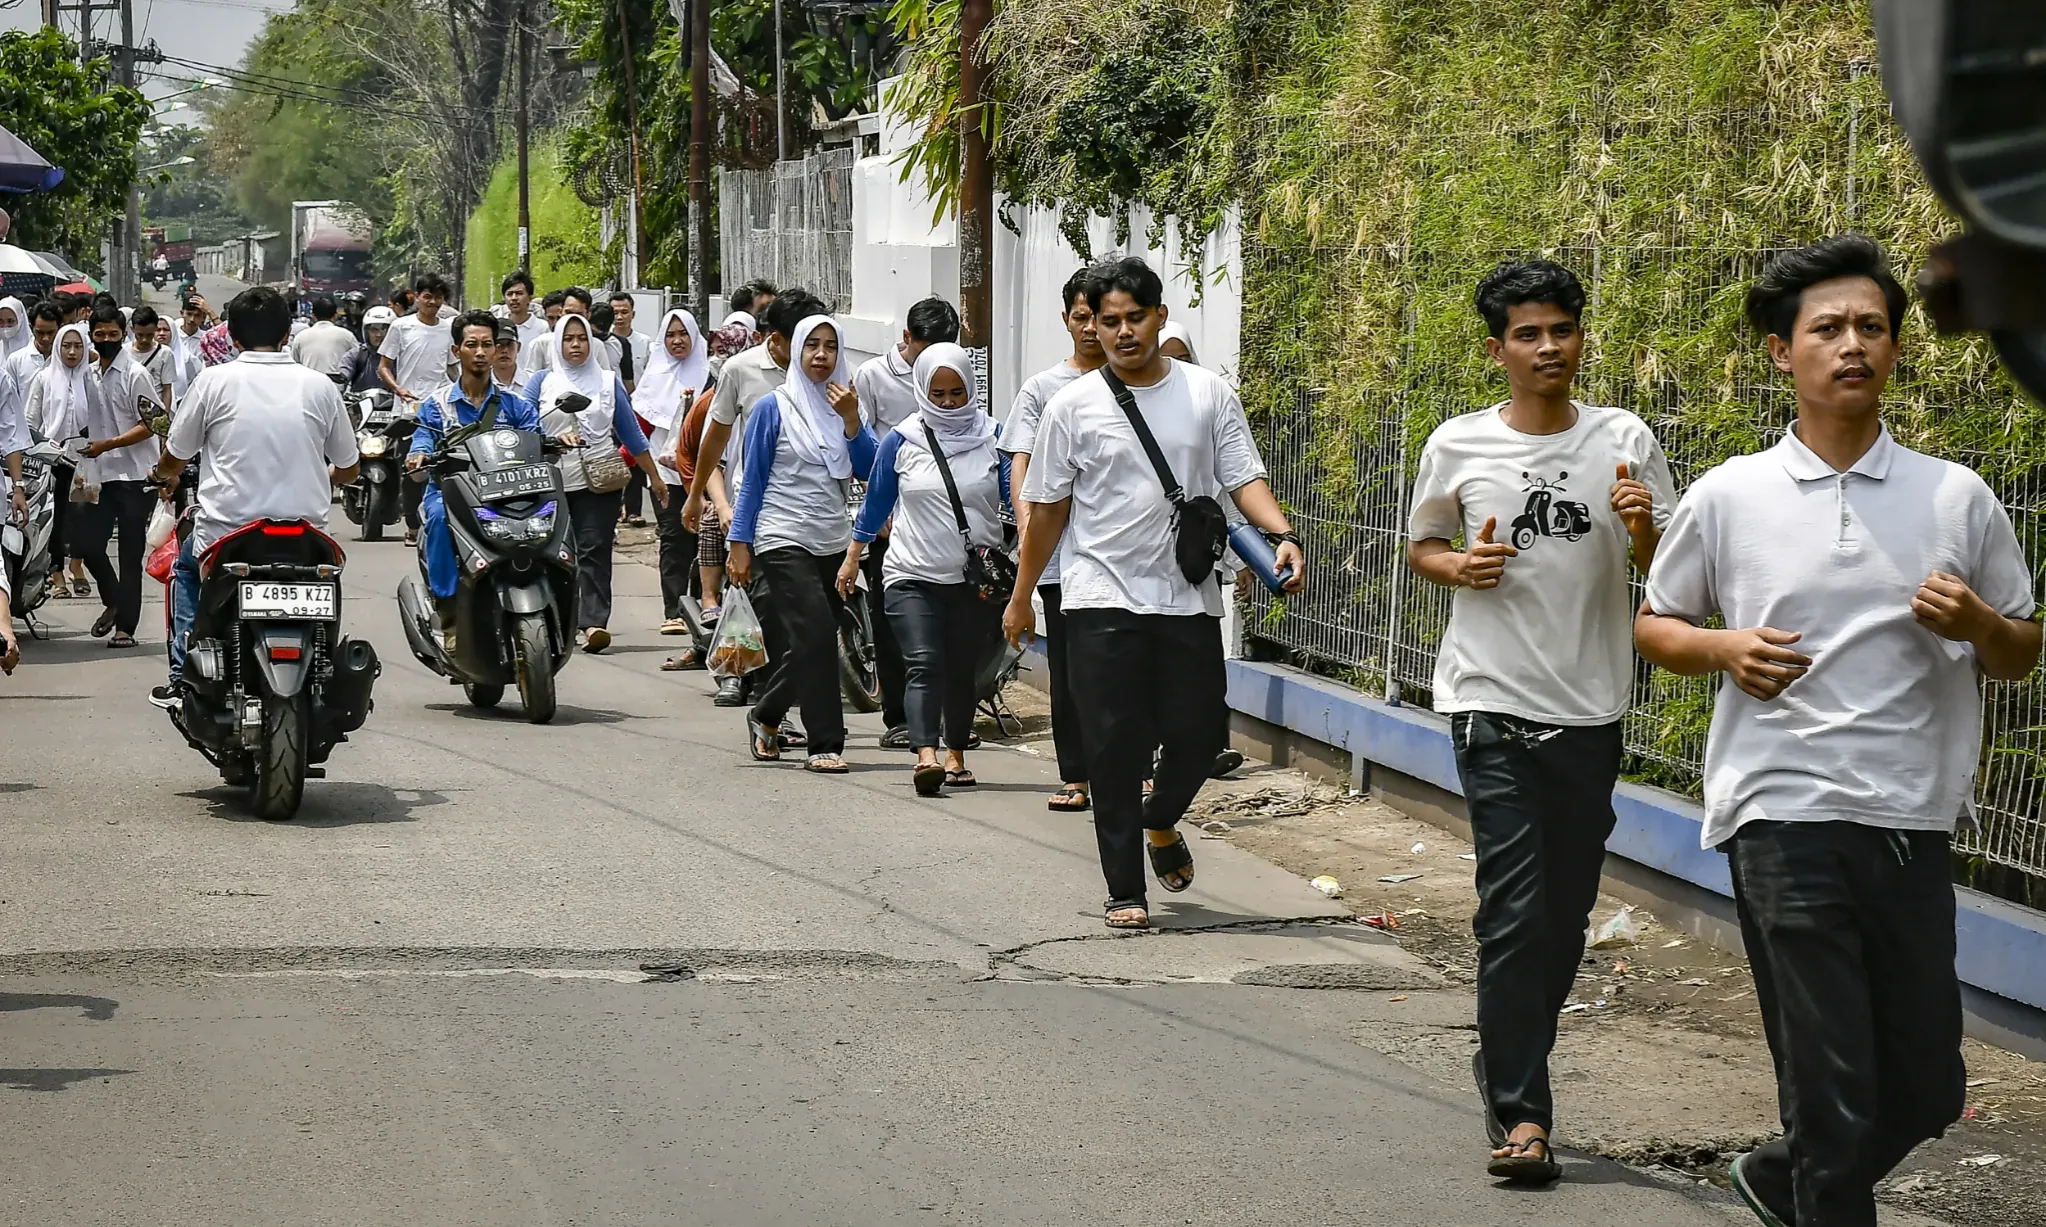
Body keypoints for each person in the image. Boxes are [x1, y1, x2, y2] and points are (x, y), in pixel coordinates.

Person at [1634, 236, 2040, 1227]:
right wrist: (1726, 648)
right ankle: (1817, 1184)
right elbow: (1657, 623)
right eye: (1828, 328)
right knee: (1834, 1095)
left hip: (1910, 817)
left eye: (1871, 326)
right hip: (1781, 810)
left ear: (1895, 347)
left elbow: (2020, 650)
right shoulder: (1730, 494)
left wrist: (1978, 623)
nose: (1852, 344)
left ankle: (1781, 1180)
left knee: (1927, 1089)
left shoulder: (1955, 496)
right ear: (1784, 352)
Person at [1404, 259, 1674, 1185]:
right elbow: (1423, 544)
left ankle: (1505, 1048)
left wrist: (1644, 528)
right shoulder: (1458, 443)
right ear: (1498, 350)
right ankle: (1524, 1114)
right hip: (1489, 702)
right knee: (1516, 910)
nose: (1548, 346)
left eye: (1561, 329)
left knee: (1563, 920)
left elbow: (1673, 572)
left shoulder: (1623, 438)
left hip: (1591, 706)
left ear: (1580, 339)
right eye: (1528, 334)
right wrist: (1458, 568)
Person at [1003, 256, 1305, 931]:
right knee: (1113, 745)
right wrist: (1023, 595)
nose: (1121, 332)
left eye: (1134, 318)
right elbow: (1047, 511)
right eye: (1107, 321)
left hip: (1186, 595)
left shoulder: (1207, 393)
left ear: (1160, 316)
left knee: (1199, 735)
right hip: (1097, 596)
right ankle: (1124, 889)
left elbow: (1243, 477)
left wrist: (1281, 533)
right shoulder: (1070, 407)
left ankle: (1160, 816)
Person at [150, 287, 360, 707]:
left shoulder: (213, 382)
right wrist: (326, 477)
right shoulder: (320, 387)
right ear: (286, 336)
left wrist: (161, 474)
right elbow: (349, 468)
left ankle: (179, 676)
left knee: (184, 568)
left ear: (233, 338)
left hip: (228, 536)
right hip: (308, 538)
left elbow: (176, 455)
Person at [842, 343, 1005, 795]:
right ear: (922, 391)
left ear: (970, 389)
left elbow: (1019, 500)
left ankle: (956, 755)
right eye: (938, 394)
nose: (948, 402)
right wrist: (853, 555)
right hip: (910, 573)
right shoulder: (902, 440)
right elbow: (877, 503)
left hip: (972, 581)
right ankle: (926, 756)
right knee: (924, 661)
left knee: (962, 669)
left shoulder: (994, 438)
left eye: (956, 392)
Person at [726, 312, 879, 773]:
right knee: (815, 632)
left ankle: (767, 713)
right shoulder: (773, 408)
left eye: (831, 347)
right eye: (812, 345)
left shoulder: (847, 405)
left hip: (831, 536)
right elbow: (752, 480)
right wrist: (739, 542)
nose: (821, 355)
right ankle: (824, 744)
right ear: (796, 350)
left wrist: (850, 420)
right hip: (781, 533)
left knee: (816, 638)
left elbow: (870, 470)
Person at [1001, 267, 1106, 812]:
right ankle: (1077, 776)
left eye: (1098, 317)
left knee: (1119, 670)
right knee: (1068, 670)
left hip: (1123, 557)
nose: (1090, 328)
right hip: (1062, 559)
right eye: (1081, 317)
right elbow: (1020, 462)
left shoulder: (1138, 382)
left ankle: (1132, 771)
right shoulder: (1043, 390)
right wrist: (1028, 529)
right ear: (1066, 319)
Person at [849, 296, 960, 747]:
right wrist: (875, 515)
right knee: (894, 623)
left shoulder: (954, 374)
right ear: (907, 338)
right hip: (892, 522)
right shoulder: (872, 376)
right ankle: (899, 717)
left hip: (945, 522)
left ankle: (950, 718)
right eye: (925, 349)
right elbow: (859, 445)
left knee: (949, 628)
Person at [407, 310, 550, 650]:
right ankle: (449, 613)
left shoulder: (516, 405)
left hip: (508, 495)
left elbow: (536, 439)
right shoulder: (437, 406)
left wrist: (558, 442)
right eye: (472, 345)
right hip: (451, 495)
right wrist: (419, 455)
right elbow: (422, 440)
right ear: (456, 351)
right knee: (438, 517)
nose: (482, 352)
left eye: (488, 344)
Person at [524, 314, 664, 652]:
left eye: (582, 338)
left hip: (599, 483)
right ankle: (558, 622)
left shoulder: (607, 381)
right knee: (554, 554)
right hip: (551, 483)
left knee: (595, 549)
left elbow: (631, 433)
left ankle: (593, 623)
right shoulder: (542, 382)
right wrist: (550, 440)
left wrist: (655, 477)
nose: (575, 345)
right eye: (568, 338)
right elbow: (522, 427)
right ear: (557, 343)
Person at [74, 305, 166, 648]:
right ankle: (114, 601)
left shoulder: (135, 374)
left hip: (135, 476)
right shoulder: (89, 374)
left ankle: (125, 627)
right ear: (92, 336)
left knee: (129, 554)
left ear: (123, 334)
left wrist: (109, 444)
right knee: (85, 545)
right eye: (100, 334)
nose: (107, 339)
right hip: (99, 474)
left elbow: (155, 423)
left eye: (113, 333)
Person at [669, 322, 754, 678]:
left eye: (727, 350)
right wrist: (703, 498)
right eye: (716, 351)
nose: (720, 358)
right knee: (711, 523)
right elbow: (696, 451)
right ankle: (708, 598)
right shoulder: (711, 401)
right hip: (723, 495)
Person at [636, 308, 708, 639]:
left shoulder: (709, 373)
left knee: (704, 539)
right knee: (673, 537)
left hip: (704, 470)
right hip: (664, 473)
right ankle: (674, 610)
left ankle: (703, 605)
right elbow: (641, 423)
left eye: (683, 334)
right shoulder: (653, 375)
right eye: (670, 335)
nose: (677, 341)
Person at [378, 273, 456, 402]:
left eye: (438, 297)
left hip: (438, 404)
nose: (433, 302)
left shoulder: (448, 329)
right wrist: (398, 389)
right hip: (407, 403)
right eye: (427, 297)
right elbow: (383, 367)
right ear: (417, 297)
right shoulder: (400, 326)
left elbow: (452, 368)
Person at [290, 294, 358, 379]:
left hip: (308, 385)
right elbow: (359, 360)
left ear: (313, 316)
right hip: (337, 386)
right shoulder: (347, 336)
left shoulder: (300, 337)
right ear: (335, 315)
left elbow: (294, 365)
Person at [341, 306, 395, 396]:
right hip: (361, 403)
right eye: (374, 330)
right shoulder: (357, 354)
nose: (378, 335)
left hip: (395, 403)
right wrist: (341, 378)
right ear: (366, 331)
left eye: (384, 329)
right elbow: (344, 372)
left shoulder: (401, 356)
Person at [500, 271, 549, 351]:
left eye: (519, 293)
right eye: (509, 294)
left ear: (530, 298)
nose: (514, 298)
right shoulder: (497, 326)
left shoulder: (543, 328)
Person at [610, 291, 650, 375]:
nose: (619, 317)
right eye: (615, 313)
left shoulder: (644, 342)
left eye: (624, 312)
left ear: (633, 314)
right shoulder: (604, 342)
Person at [491, 318, 524, 393]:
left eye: (509, 344)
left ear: (518, 347)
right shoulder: (480, 384)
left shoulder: (532, 382)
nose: (505, 350)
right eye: (499, 344)